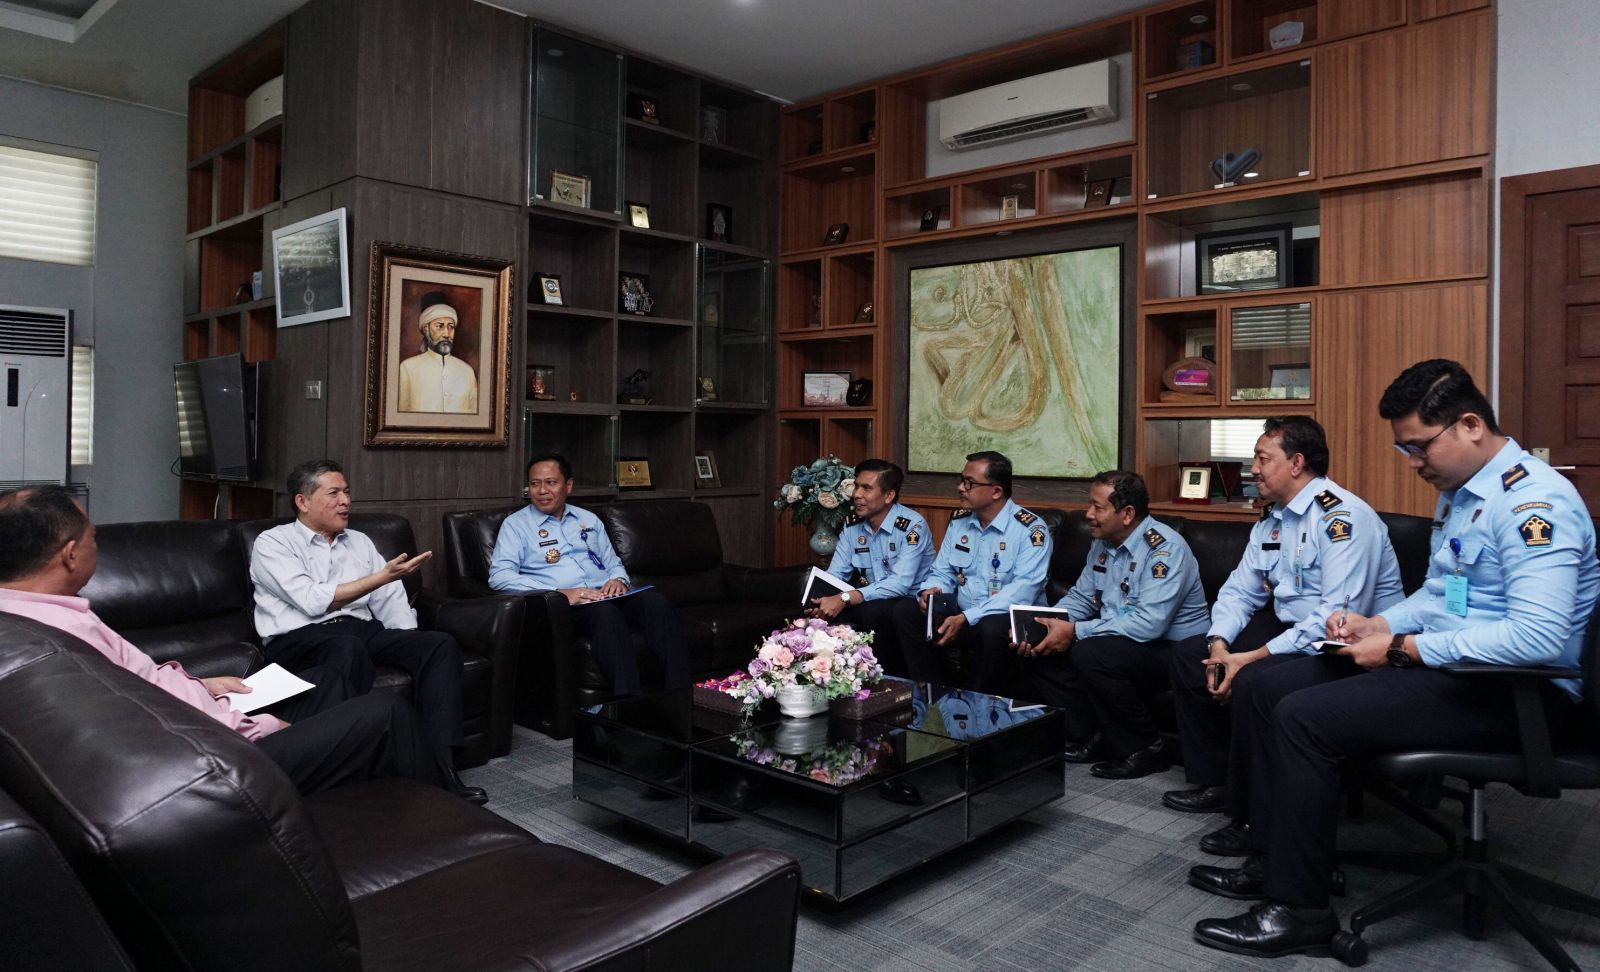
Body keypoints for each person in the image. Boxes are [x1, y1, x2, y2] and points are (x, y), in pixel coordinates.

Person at [1191, 360, 1598, 958]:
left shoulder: (1533, 501)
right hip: (1460, 668)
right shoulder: (1462, 496)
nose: (1413, 462)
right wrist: (1377, 625)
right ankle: (1278, 858)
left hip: (1520, 692)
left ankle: (1300, 912)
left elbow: (1536, 638)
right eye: (1404, 449)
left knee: (1304, 719)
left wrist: (1403, 648)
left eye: (1419, 447)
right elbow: (1438, 597)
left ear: (1470, 425)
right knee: (1267, 687)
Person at [0, 485, 471, 799]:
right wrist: (264, 727)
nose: (97, 546)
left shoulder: (36, 614)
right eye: (93, 538)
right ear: (69, 555)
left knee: (325, 681)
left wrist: (202, 684)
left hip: (208, 714)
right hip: (225, 754)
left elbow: (136, 689)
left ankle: (339, 784)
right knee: (382, 712)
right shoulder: (64, 637)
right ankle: (446, 809)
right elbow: (149, 721)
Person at [1164, 417, 1403, 831]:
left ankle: (1252, 816)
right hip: (1290, 627)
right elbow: (1239, 591)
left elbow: (1335, 617)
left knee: (1256, 680)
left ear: (1296, 463)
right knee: (1191, 656)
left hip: (1346, 643)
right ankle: (1217, 780)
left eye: (1262, 458)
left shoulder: (1342, 518)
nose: (1253, 469)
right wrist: (1220, 646)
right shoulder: (1273, 519)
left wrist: (1249, 658)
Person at [249, 459, 481, 803]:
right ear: (303, 501)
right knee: (346, 646)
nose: (345, 501)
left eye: (346, 492)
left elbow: (390, 598)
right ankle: (353, 764)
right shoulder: (273, 543)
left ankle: (442, 768)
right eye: (334, 493)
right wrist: (381, 576)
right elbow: (312, 601)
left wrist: (407, 641)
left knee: (438, 645)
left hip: (359, 630)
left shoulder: (359, 541)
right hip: (298, 638)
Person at [1017, 470, 1208, 777]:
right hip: (1123, 639)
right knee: (1040, 647)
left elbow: (1148, 624)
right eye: (1089, 505)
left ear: (1127, 514)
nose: (1088, 514)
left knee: (1091, 653)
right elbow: (1082, 597)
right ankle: (1091, 735)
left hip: (1176, 649)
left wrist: (1074, 631)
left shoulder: (1165, 550)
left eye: (1098, 507)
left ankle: (1146, 748)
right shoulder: (1103, 543)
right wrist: (1046, 625)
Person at [489, 453, 690, 695]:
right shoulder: (516, 525)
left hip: (607, 595)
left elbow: (613, 562)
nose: (542, 491)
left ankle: (681, 695)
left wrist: (618, 580)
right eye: (534, 484)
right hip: (565, 607)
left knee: (656, 603)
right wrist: (560, 593)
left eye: (551, 482)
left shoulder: (588, 519)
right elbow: (499, 576)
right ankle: (627, 701)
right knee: (605, 614)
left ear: (568, 485)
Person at [889, 451, 1051, 692]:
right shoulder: (960, 522)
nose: (960, 488)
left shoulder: (1031, 530)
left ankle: (977, 702)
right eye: (961, 480)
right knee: (906, 610)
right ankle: (933, 692)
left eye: (969, 483)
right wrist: (931, 593)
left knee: (989, 629)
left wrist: (967, 617)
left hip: (1002, 618)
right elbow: (942, 571)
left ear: (996, 491)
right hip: (962, 614)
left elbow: (1022, 592)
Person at [807, 459, 933, 676]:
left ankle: (889, 680)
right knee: (818, 615)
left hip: (910, 602)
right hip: (872, 599)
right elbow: (836, 574)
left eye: (866, 488)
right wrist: (822, 600)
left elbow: (900, 584)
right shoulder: (853, 525)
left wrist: (846, 598)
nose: (857, 494)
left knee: (871, 611)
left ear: (889, 495)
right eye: (857, 486)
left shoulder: (912, 526)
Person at [397, 290, 478, 413]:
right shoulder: (407, 369)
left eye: (451, 327)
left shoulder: (467, 372)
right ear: (426, 329)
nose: (446, 334)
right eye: (439, 326)